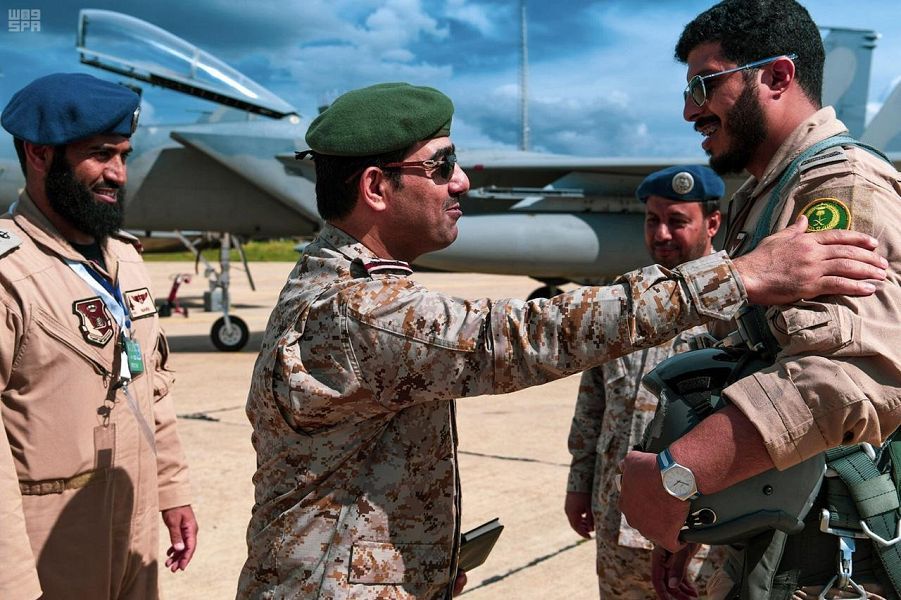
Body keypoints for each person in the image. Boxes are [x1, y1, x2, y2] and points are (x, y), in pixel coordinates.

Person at [236, 81, 887, 600]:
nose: (461, 181)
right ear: (377, 188)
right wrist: (736, 277)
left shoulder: (353, 293)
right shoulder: (352, 311)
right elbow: (521, 336)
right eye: (441, 165)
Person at [618, 1, 901, 599]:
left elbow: (852, 371)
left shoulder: (838, 185)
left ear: (776, 76)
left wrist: (681, 474)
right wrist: (704, 509)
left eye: (705, 84)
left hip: (836, 554)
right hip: (780, 530)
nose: (690, 110)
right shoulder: (769, 193)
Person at [0, 73, 197, 600]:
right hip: (47, 549)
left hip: (134, 532)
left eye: (123, 155)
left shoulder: (124, 258)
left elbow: (150, 381)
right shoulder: (9, 274)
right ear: (39, 154)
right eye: (100, 155)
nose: (118, 174)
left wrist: (172, 489)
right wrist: (12, 584)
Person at [565, 165, 727, 599]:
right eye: (653, 220)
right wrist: (579, 484)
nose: (662, 234)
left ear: (712, 223)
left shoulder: (734, 312)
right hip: (616, 518)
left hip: (699, 535)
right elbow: (593, 404)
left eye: (677, 221)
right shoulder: (624, 303)